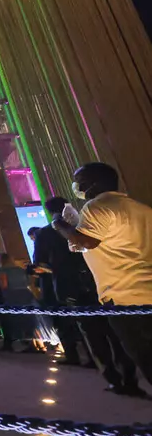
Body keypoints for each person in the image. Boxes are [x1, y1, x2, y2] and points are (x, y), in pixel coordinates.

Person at [53, 162, 152, 389]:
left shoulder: (97, 206)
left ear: (93, 183)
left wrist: (58, 223)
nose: (76, 186)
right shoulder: (142, 209)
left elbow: (85, 241)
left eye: (80, 180)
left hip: (126, 297)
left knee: (147, 359)